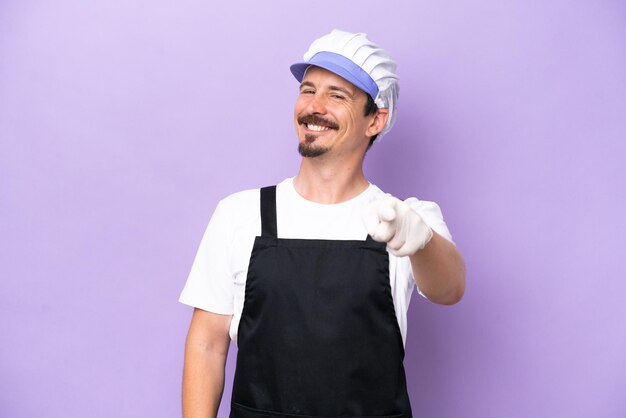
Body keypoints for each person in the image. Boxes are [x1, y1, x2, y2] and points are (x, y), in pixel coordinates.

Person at [180, 29, 466, 418]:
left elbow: (450, 288)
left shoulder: (404, 218)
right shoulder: (240, 214)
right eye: (307, 89)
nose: (314, 106)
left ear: (375, 120)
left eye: (337, 95)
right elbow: (207, 343)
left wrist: (420, 240)